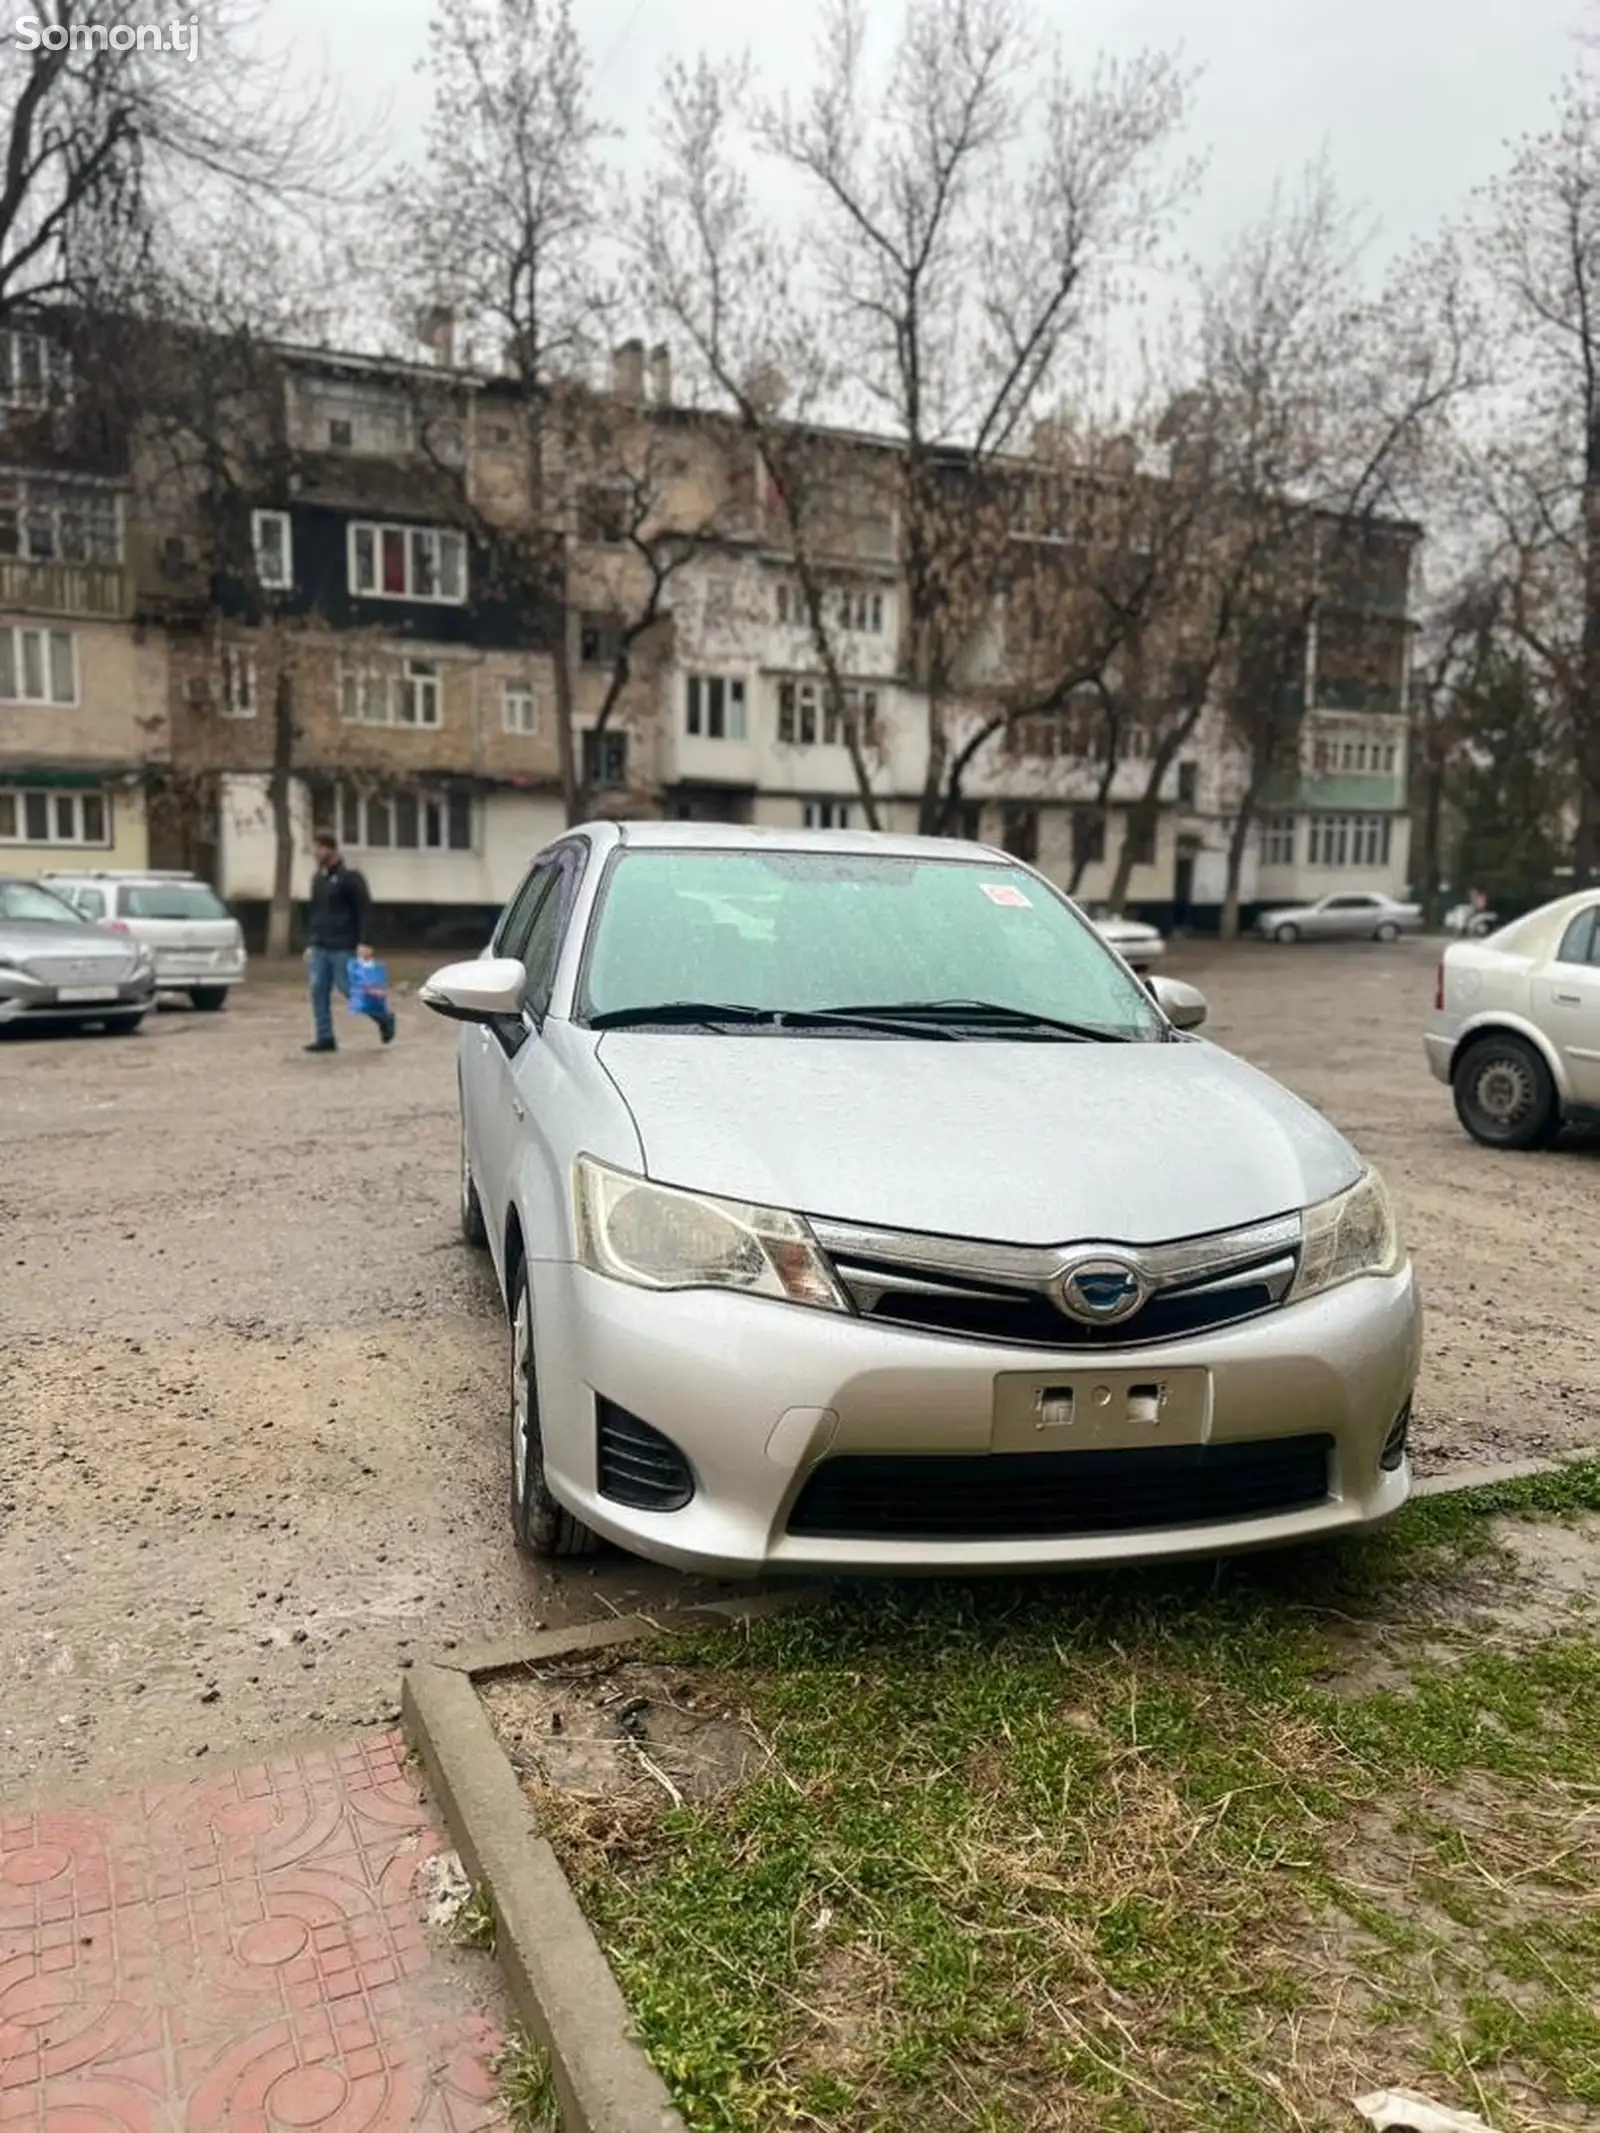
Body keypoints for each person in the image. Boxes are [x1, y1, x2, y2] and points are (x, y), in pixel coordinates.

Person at [303, 828, 395, 1052]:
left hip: (342, 945)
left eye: (318, 848)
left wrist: (365, 942)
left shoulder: (351, 878)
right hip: (321, 945)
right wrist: (310, 942)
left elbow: (364, 911)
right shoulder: (318, 880)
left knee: (350, 988)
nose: (315, 853)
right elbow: (315, 913)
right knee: (318, 989)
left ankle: (384, 1017)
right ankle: (325, 1037)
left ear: (330, 849)